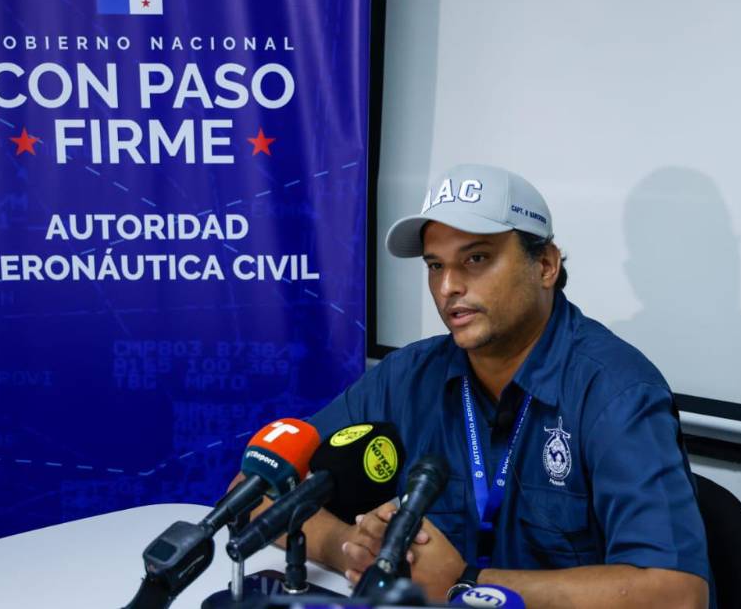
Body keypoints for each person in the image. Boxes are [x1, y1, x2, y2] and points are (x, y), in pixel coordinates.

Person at [301, 164, 712, 608]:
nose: (447, 286)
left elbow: (678, 594)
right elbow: (263, 487)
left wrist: (465, 583)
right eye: (435, 265)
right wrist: (349, 548)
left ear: (545, 265)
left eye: (476, 259)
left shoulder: (615, 392)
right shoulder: (409, 374)